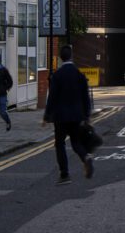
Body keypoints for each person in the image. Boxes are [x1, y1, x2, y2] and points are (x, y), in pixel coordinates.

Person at [44, 45, 95, 185]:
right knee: (76, 142)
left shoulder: (57, 75)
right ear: (72, 56)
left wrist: (46, 116)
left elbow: (52, 97)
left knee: (59, 144)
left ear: (61, 58)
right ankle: (85, 157)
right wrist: (87, 116)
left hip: (60, 117)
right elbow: (86, 98)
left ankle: (64, 174)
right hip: (77, 116)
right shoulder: (79, 75)